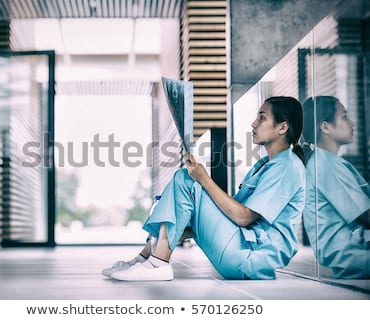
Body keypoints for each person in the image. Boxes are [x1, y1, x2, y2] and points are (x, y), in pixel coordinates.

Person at [102, 96, 306, 281]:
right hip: (241, 247)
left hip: (250, 257)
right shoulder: (264, 165)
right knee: (181, 197)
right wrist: (178, 225)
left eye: (262, 118)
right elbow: (231, 215)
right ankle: (145, 258)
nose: (254, 123)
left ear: (282, 127)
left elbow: (243, 218)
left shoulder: (287, 166)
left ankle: (158, 263)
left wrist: (204, 180)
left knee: (185, 179)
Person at [302, 96, 370, 279]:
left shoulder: (324, 162)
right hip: (355, 255)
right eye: (344, 116)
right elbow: (366, 216)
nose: (352, 123)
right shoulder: (326, 165)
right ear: (325, 127)